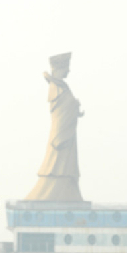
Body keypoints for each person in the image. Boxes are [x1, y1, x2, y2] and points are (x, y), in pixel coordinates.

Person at [25, 52, 84, 202]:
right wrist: (73, 106)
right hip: (61, 134)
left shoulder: (62, 87)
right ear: (60, 67)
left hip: (68, 133)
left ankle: (70, 193)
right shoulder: (55, 87)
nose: (68, 71)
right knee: (56, 163)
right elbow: (60, 112)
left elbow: (66, 107)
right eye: (67, 68)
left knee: (67, 165)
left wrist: (74, 109)